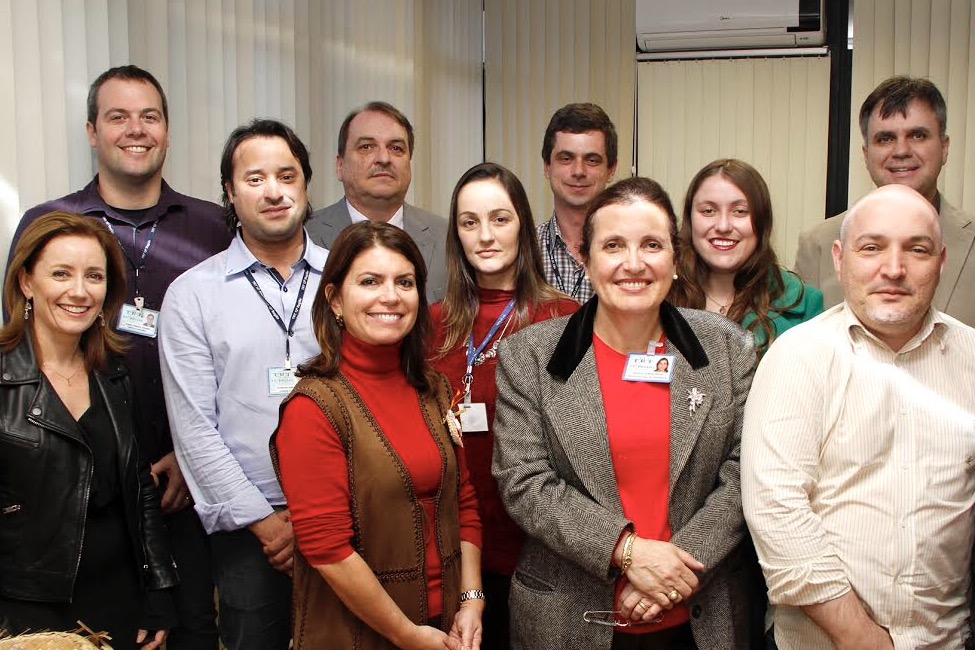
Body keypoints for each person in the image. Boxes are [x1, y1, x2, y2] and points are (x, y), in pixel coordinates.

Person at [6, 65, 230, 650]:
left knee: (191, 631)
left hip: (190, 476)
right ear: (91, 131)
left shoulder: (212, 225)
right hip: (69, 492)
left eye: (149, 116)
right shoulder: (53, 223)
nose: (136, 129)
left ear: (168, 130)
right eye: (118, 116)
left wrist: (193, 455)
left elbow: (232, 355)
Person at [493, 177, 756, 649]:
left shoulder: (727, 348)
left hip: (701, 618)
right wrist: (629, 552)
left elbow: (744, 475)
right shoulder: (528, 357)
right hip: (570, 619)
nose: (633, 264)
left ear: (675, 260)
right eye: (613, 245)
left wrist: (673, 572)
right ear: (586, 258)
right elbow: (524, 482)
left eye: (651, 245)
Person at [742, 184, 975, 649]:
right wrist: (864, 640)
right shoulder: (798, 357)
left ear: (942, 261)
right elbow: (777, 510)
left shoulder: (971, 357)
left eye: (917, 249)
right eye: (872, 248)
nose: (894, 269)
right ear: (839, 258)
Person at [272, 221, 483, 650]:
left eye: (404, 282)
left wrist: (472, 601)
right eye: (370, 281)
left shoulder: (435, 389)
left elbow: (464, 502)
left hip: (449, 627)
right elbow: (327, 548)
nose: (390, 296)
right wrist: (406, 635)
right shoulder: (313, 407)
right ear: (334, 299)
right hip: (358, 633)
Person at [159, 119, 327, 650]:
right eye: (254, 179)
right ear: (229, 193)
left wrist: (318, 518)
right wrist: (271, 526)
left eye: (287, 175)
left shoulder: (349, 278)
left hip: (344, 515)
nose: (274, 191)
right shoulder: (192, 296)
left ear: (306, 184)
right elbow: (194, 431)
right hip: (250, 530)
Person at [0, 212, 178, 649]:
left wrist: (158, 585)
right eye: (61, 273)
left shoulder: (112, 373)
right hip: (25, 607)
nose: (79, 291)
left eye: (94, 276)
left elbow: (138, 487)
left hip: (118, 599)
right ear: (26, 282)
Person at [430, 162, 579, 649]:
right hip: (454, 541)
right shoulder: (429, 325)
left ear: (523, 226)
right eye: (469, 223)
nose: (486, 236)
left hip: (540, 545)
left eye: (500, 218)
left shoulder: (564, 320)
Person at [794, 76, 975, 326]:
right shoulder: (819, 245)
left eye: (918, 135)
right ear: (866, 155)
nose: (901, 151)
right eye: (885, 138)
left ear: (944, 148)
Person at [669, 159, 823, 356]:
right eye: (708, 211)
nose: (723, 226)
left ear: (762, 222)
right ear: (690, 220)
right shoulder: (659, 296)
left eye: (740, 211)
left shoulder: (807, 306)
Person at [306, 101, 448, 302]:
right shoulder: (305, 235)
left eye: (396, 148)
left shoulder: (448, 238)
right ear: (340, 165)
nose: (384, 158)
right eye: (366, 147)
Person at [536, 103, 618, 304]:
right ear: (547, 166)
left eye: (592, 160)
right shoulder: (524, 248)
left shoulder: (632, 253)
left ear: (611, 169)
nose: (578, 171)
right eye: (566, 158)